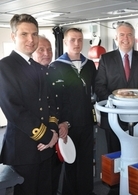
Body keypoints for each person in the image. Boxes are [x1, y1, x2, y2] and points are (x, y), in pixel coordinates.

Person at [0, 13, 59, 195]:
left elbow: (50, 102)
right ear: (13, 36)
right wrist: (46, 136)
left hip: (46, 147)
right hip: (23, 149)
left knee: (46, 190)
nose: (30, 39)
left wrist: (52, 129)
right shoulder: (4, 67)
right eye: (24, 34)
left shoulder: (39, 68)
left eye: (34, 34)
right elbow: (15, 111)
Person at [94, 22, 138, 154]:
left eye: (129, 35)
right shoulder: (106, 59)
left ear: (134, 38)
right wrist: (117, 101)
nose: (125, 38)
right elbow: (99, 86)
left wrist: (137, 99)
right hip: (113, 116)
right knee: (114, 155)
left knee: (137, 154)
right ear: (116, 38)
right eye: (122, 35)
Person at [49, 27, 97, 195]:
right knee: (69, 161)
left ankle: (87, 191)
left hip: (86, 121)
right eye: (72, 40)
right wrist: (61, 122)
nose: (77, 43)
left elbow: (96, 91)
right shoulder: (56, 67)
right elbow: (53, 100)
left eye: (79, 39)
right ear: (65, 42)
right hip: (66, 124)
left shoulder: (90, 65)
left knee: (85, 160)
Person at [32, 35, 66, 195]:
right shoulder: (26, 75)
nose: (47, 53)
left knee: (52, 181)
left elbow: (59, 104)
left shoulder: (54, 71)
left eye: (50, 49)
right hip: (35, 142)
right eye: (41, 50)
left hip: (54, 137)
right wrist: (46, 136)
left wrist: (63, 124)